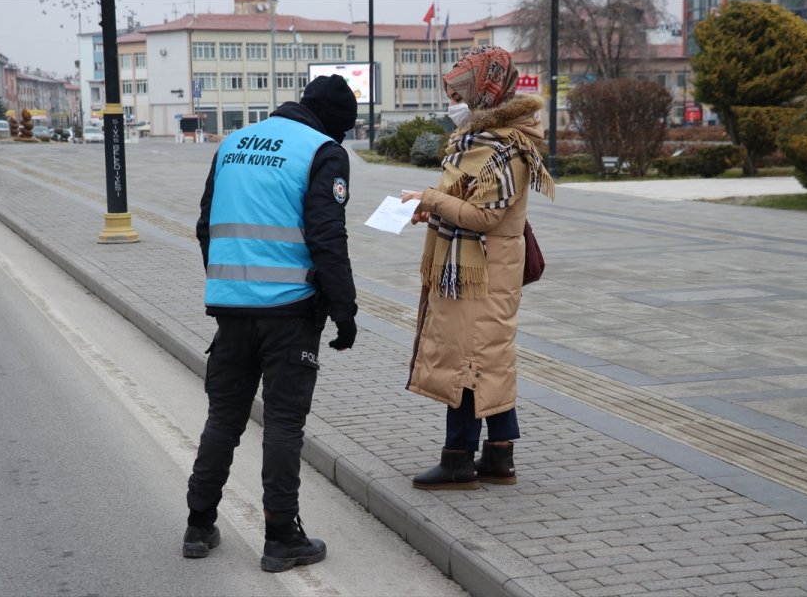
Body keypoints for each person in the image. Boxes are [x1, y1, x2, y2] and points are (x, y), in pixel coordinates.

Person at [184, 75, 359, 571]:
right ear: (335, 123)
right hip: (289, 311)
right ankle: (282, 536)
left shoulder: (233, 143)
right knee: (283, 424)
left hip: (230, 308)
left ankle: (199, 525)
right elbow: (328, 236)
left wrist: (230, 283)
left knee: (224, 418)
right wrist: (343, 311)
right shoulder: (322, 151)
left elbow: (205, 225)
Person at [401, 45, 554, 490]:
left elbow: (486, 217)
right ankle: (499, 454)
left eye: (459, 93)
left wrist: (432, 199)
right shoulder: (478, 140)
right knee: (486, 357)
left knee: (468, 361)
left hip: (485, 269)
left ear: (485, 91)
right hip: (473, 264)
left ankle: (458, 458)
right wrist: (432, 210)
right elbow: (468, 205)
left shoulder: (508, 148)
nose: (452, 103)